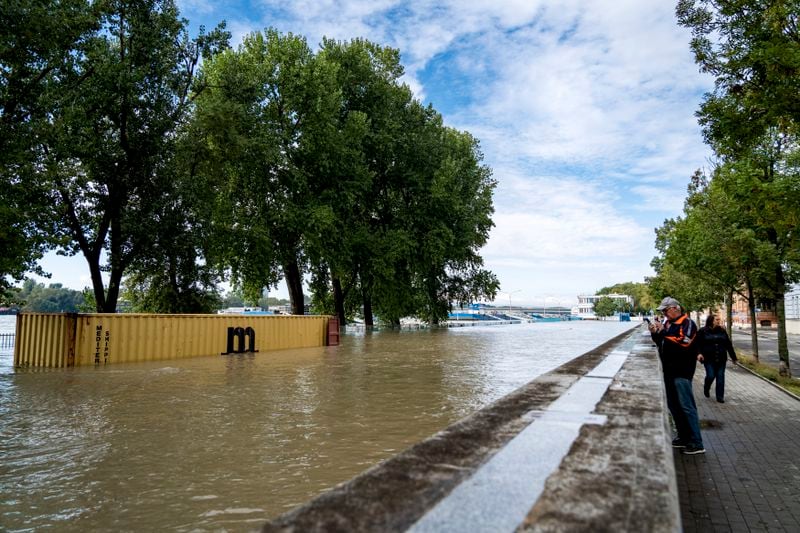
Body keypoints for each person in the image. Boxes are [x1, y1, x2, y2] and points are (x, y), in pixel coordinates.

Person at [648, 297, 705, 455]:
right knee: (673, 405)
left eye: (666, 310)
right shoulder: (668, 324)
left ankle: (697, 441)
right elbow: (662, 342)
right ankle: (683, 436)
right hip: (669, 370)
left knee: (687, 406)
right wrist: (655, 333)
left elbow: (683, 342)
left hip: (682, 370)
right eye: (663, 311)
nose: (664, 314)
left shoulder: (688, 323)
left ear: (675, 308)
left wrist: (663, 332)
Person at [696, 314, 738, 403]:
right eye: (717, 319)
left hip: (721, 358)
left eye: (719, 319)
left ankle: (720, 396)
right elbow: (698, 344)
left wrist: (733, 357)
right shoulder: (702, 331)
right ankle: (706, 387)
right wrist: (699, 353)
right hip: (708, 358)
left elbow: (728, 345)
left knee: (720, 377)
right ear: (711, 320)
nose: (719, 321)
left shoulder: (722, 331)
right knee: (710, 375)